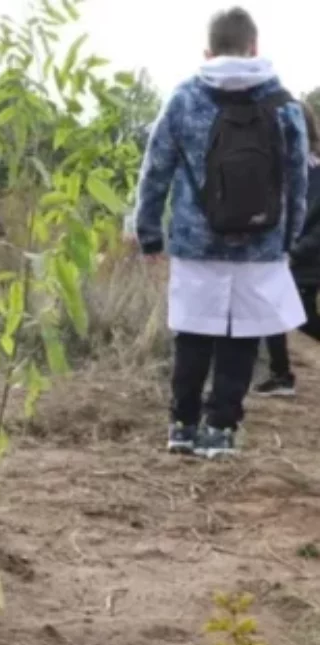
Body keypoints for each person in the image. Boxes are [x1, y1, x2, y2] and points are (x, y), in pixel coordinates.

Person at [134, 7, 308, 459]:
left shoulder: (185, 98)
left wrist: (149, 233)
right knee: (242, 338)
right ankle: (221, 431)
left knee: (193, 333)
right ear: (255, 46)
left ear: (207, 51)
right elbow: (297, 182)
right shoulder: (284, 103)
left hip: (196, 240)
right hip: (261, 242)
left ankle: (182, 425)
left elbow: (155, 169)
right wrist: (288, 241)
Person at [254, 101, 320, 396]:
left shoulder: (315, 172)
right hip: (288, 253)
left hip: (308, 256)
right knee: (272, 307)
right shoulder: (282, 169)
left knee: (300, 315)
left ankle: (281, 375)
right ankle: (281, 375)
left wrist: (297, 250)